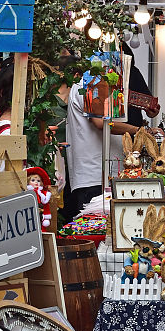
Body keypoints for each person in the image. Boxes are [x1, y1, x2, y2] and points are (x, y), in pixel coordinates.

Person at [62, 70, 138, 226]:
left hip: (102, 174)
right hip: (94, 177)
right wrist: (136, 130)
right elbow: (99, 123)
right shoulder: (90, 83)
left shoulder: (100, 83)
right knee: (99, 230)